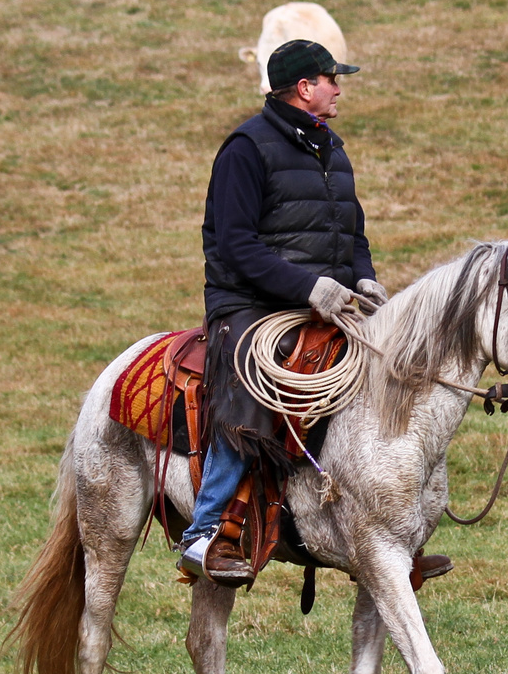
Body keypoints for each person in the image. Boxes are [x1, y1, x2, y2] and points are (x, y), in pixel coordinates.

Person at [178, 39, 448, 588]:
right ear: (305, 88)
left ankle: (384, 529)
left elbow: (352, 234)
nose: (339, 89)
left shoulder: (332, 151)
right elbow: (235, 245)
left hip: (322, 301)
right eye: (331, 80)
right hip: (247, 307)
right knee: (253, 394)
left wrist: (363, 277)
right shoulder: (245, 149)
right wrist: (307, 287)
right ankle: (204, 532)